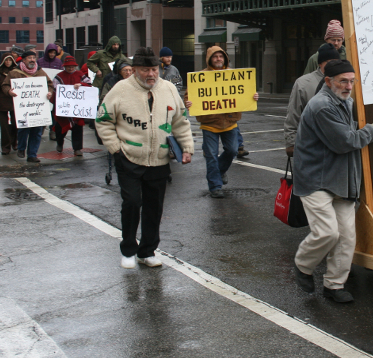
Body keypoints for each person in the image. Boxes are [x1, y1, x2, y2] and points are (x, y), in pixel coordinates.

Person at [292, 59, 373, 303]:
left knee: (346, 237)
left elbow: (346, 132)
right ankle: (303, 265)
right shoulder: (323, 105)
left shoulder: (345, 101)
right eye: (343, 81)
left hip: (342, 179)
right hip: (316, 179)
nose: (348, 86)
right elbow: (344, 141)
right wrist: (372, 132)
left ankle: (334, 286)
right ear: (328, 81)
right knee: (327, 233)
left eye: (352, 81)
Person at [96, 47, 194, 269]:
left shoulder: (169, 89)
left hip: (159, 159)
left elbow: (181, 121)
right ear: (135, 70)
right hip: (129, 156)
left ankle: (147, 251)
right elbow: (103, 119)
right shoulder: (120, 90)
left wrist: (187, 147)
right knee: (131, 203)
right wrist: (115, 148)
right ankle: (128, 249)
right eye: (145, 70)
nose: (151, 74)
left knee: (154, 207)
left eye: (154, 69)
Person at [183, 46, 258, 199]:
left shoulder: (233, 75)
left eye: (221, 56)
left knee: (232, 150)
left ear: (225, 59)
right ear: (210, 59)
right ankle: (215, 186)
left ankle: (220, 170)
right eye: (215, 56)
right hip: (209, 123)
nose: (218, 59)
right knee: (210, 155)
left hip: (230, 121)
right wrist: (188, 103)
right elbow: (189, 96)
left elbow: (245, 92)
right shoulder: (201, 77)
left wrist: (253, 96)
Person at [284, 43, 340, 156]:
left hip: (337, 145)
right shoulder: (303, 83)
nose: (333, 65)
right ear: (320, 63)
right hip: (311, 146)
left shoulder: (344, 81)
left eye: (336, 61)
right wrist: (291, 143)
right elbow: (293, 114)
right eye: (329, 62)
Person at [2, 51, 54, 163]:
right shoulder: (15, 73)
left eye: (34, 58)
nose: (32, 60)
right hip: (23, 108)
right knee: (23, 129)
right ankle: (21, 148)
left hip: (38, 108)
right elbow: (5, 85)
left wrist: (49, 92)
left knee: (37, 131)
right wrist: (9, 91)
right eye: (29, 58)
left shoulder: (40, 72)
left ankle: (32, 154)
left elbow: (50, 84)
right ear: (24, 60)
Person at [51, 56, 92, 156]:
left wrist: (81, 84)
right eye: (68, 67)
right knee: (60, 127)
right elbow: (55, 89)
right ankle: (59, 143)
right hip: (64, 107)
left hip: (77, 108)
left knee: (77, 127)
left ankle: (77, 149)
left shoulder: (80, 75)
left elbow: (89, 84)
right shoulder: (59, 76)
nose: (70, 68)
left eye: (72, 66)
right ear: (65, 67)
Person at [0, 53, 18, 154]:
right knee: (4, 126)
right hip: (1, 101)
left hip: (14, 100)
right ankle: (5, 146)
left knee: (16, 124)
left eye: (10, 60)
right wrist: (4, 83)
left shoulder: (16, 71)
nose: (8, 62)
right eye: (6, 60)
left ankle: (14, 141)